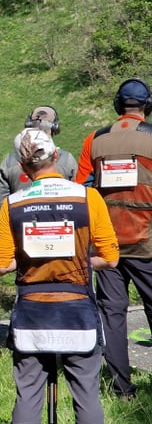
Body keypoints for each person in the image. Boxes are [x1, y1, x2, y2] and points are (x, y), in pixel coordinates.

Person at [0, 128, 118, 424]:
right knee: (87, 394)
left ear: (23, 165)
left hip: (32, 312)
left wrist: (32, 256)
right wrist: (76, 260)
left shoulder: (13, 204)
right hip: (77, 310)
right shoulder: (88, 199)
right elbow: (110, 256)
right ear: (57, 157)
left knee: (28, 394)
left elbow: (1, 264)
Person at [74, 77, 152, 400]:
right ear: (146, 107)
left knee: (112, 314)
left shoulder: (95, 140)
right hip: (148, 242)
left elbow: (81, 190)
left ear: (118, 106)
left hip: (107, 245)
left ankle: (122, 389)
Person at [0, 105, 77, 211]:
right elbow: (78, 196)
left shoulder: (10, 161)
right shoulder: (67, 160)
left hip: (20, 223)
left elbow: (0, 202)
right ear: (56, 127)